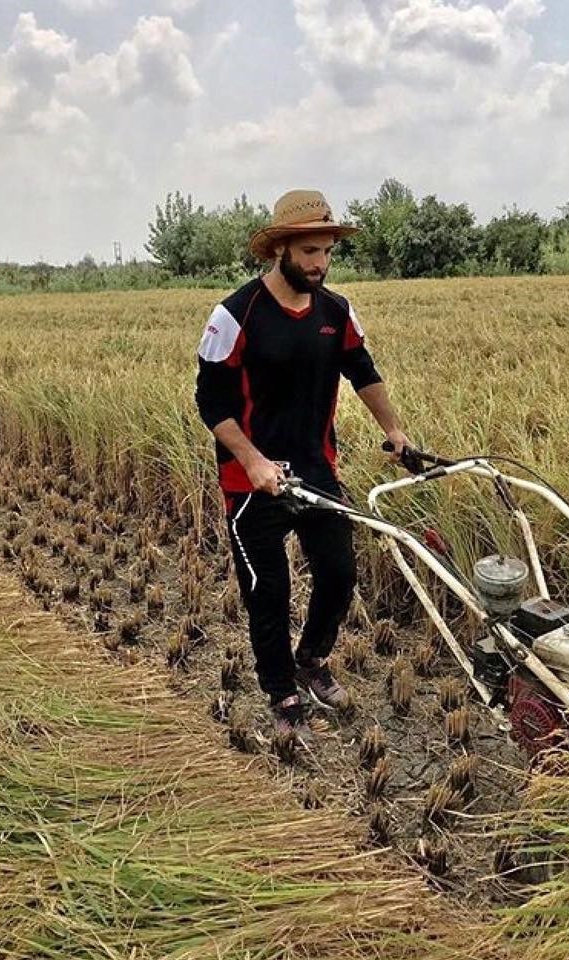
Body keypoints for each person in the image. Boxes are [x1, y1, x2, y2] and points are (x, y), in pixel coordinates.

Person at [194, 189, 410, 744]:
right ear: (280, 250)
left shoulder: (335, 312)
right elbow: (211, 404)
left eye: (328, 252)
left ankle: (311, 660)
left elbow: (362, 370)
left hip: (315, 470)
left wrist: (394, 431)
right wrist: (253, 461)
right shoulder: (235, 315)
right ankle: (281, 692)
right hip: (252, 483)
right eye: (310, 251)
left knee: (339, 575)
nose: (320, 263)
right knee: (268, 591)